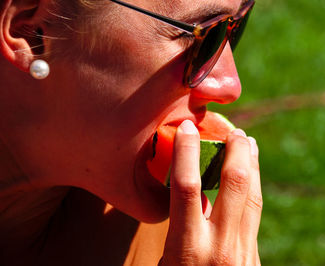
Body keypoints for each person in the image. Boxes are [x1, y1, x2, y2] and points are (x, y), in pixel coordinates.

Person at [0, 0, 262, 264]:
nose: (230, 86)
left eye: (237, 25)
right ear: (31, 33)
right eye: (206, 34)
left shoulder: (181, 243)